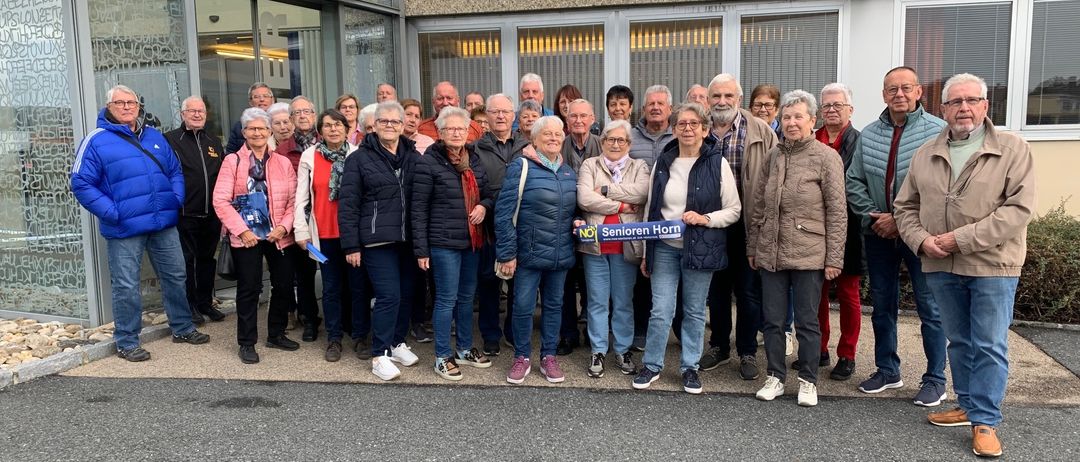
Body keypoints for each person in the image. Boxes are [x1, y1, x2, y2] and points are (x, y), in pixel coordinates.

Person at [894, 73, 1036, 458]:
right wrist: (921, 240)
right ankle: (969, 405)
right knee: (959, 340)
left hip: (992, 264)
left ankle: (986, 421)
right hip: (940, 264)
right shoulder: (926, 152)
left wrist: (960, 239)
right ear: (943, 109)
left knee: (989, 344)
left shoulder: (1012, 148)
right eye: (955, 102)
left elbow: (1017, 210)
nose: (963, 108)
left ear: (985, 106)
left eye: (972, 100)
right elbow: (905, 206)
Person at [71, 84, 210, 361]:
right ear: (108, 107)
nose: (126, 107)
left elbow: (174, 171)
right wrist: (112, 212)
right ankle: (126, 341)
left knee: (175, 276)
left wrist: (175, 198)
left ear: (138, 106)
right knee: (126, 285)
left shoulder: (154, 137)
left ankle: (182, 327)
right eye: (120, 103)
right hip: (124, 227)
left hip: (163, 223)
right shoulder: (96, 140)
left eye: (131, 103)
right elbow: (80, 182)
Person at [846, 66, 949, 406]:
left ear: (919, 92)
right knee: (882, 305)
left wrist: (901, 221)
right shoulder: (870, 134)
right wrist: (873, 216)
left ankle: (935, 378)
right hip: (877, 233)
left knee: (929, 307)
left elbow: (942, 188)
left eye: (906, 88)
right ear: (883, 94)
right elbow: (853, 181)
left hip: (920, 235)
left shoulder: (938, 132)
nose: (899, 94)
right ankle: (888, 370)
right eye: (892, 89)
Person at [632, 103, 741, 395]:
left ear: (705, 130)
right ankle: (652, 365)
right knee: (661, 309)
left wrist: (705, 218)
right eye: (682, 123)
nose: (688, 128)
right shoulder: (663, 162)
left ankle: (689, 367)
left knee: (693, 311)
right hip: (665, 247)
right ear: (675, 128)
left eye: (694, 124)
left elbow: (734, 210)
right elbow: (651, 210)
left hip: (700, 247)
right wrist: (646, 251)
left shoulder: (717, 163)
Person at [748, 90, 847, 407]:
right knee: (773, 320)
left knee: (806, 322)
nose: (791, 122)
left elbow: (837, 212)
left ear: (812, 121)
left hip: (809, 252)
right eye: (787, 117)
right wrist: (754, 246)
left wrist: (834, 257)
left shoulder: (826, 157)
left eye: (798, 117)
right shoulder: (773, 156)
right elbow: (760, 205)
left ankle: (807, 380)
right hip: (771, 251)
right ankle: (775, 376)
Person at [695, 73, 777, 380]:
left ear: (739, 100)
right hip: (710, 224)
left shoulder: (761, 131)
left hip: (748, 223)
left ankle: (746, 351)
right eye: (716, 96)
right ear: (708, 99)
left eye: (728, 96)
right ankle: (718, 345)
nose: (722, 102)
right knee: (716, 290)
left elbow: (772, 179)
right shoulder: (699, 129)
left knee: (748, 292)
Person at [339, 101, 422, 381]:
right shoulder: (359, 159)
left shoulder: (412, 156)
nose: (389, 126)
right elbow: (348, 205)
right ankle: (379, 354)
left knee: (407, 294)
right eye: (383, 121)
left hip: (407, 239)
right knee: (389, 296)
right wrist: (351, 245)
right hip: (376, 241)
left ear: (402, 125)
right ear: (373, 125)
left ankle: (397, 343)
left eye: (394, 122)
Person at [412, 107, 496, 381]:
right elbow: (419, 209)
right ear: (440, 132)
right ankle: (441, 356)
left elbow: (488, 193)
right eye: (450, 129)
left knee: (465, 298)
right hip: (443, 242)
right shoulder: (429, 162)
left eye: (461, 128)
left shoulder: (473, 159)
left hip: (472, 241)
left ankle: (463, 348)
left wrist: (483, 206)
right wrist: (421, 250)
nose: (456, 133)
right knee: (446, 299)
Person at [212, 107, 299, 364]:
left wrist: (284, 226)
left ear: (270, 131)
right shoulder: (232, 162)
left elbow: (294, 201)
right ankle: (247, 342)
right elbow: (221, 201)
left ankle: (276, 333)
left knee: (283, 285)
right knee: (249, 289)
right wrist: (242, 231)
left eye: (262, 128)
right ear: (244, 132)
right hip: (246, 236)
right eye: (252, 128)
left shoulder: (282, 162)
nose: (258, 133)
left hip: (278, 234)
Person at [495, 116, 577, 385]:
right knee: (522, 307)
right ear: (535, 139)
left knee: (554, 307)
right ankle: (521, 357)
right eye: (547, 135)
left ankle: (549, 357)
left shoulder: (567, 171)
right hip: (528, 254)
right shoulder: (522, 167)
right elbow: (504, 212)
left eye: (557, 134)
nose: (553, 138)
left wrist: (578, 220)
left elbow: (572, 210)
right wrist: (507, 254)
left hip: (559, 254)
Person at [293, 109, 369, 363]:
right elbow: (301, 198)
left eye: (338, 125)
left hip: (353, 236)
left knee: (358, 288)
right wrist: (301, 231)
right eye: (327, 125)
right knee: (332, 288)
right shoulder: (309, 156)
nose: (333, 129)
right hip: (323, 235)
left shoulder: (357, 155)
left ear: (348, 129)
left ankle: (359, 336)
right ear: (320, 130)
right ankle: (334, 338)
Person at [575, 119, 650, 378]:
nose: (615, 144)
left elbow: (641, 193)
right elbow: (584, 198)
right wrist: (620, 206)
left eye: (621, 140)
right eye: (610, 139)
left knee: (623, 302)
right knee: (596, 301)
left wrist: (606, 190)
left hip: (625, 247)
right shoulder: (589, 164)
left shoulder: (639, 166)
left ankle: (622, 349)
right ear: (602, 141)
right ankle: (597, 349)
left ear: (629, 144)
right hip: (594, 246)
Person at [807, 83, 862, 380]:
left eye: (837, 105)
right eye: (826, 105)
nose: (830, 110)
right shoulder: (811, 138)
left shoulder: (860, 142)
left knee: (848, 293)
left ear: (850, 110)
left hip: (849, 227)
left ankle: (848, 353)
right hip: (814, 229)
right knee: (817, 294)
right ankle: (820, 349)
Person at [473, 94, 530, 356]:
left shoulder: (527, 145)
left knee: (519, 282)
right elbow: (475, 185)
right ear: (487, 116)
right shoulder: (476, 148)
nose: (500, 116)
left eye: (505, 112)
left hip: (521, 223)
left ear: (513, 115)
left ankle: (511, 330)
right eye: (494, 111)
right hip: (489, 224)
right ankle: (490, 334)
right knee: (489, 281)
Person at [164, 95, 227, 326]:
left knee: (207, 260)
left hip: (211, 214)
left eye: (201, 111)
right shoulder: (171, 140)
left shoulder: (214, 141)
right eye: (192, 111)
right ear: (183, 114)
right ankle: (189, 305)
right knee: (186, 262)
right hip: (184, 213)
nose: (197, 114)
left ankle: (204, 302)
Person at [556, 98, 602, 355]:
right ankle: (568, 335)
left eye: (584, 116)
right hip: (563, 222)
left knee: (592, 282)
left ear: (593, 119)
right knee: (565, 281)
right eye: (573, 116)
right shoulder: (557, 145)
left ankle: (593, 334)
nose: (578, 121)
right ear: (567, 119)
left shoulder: (602, 146)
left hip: (595, 220)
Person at [274, 96, 322, 342]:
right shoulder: (282, 151)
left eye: (307, 111)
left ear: (315, 115)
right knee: (304, 273)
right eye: (297, 113)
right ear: (291, 120)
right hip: (299, 222)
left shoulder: (329, 140)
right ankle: (310, 319)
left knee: (333, 270)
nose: (302, 116)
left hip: (326, 219)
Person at [416, 81, 484, 142]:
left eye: (449, 98)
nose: (445, 103)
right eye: (440, 98)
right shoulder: (421, 128)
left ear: (458, 100)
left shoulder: (475, 128)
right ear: (433, 101)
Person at [629, 85, 674, 168]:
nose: (655, 107)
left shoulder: (679, 137)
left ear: (670, 109)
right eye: (651, 104)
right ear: (644, 110)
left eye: (660, 103)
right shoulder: (629, 137)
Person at [227, 82, 276, 154]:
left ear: (272, 100)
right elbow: (230, 154)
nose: (262, 99)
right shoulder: (240, 126)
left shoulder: (281, 123)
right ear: (250, 102)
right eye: (256, 97)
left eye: (266, 96)